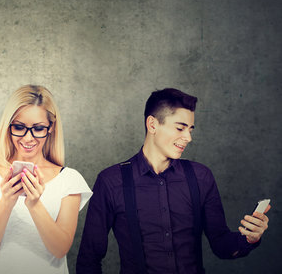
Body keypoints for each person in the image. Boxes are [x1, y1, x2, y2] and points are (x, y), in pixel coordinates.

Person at [76, 88, 271, 273]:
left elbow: (221, 245)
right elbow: (89, 259)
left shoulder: (201, 177)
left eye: (190, 130)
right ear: (152, 125)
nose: (188, 137)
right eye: (180, 128)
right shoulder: (111, 181)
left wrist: (249, 239)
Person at [0, 84, 92, 273]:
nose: (28, 138)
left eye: (38, 128)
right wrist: (7, 202)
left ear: (51, 128)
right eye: (19, 127)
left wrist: (34, 204)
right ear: (8, 127)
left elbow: (60, 249)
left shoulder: (69, 179)